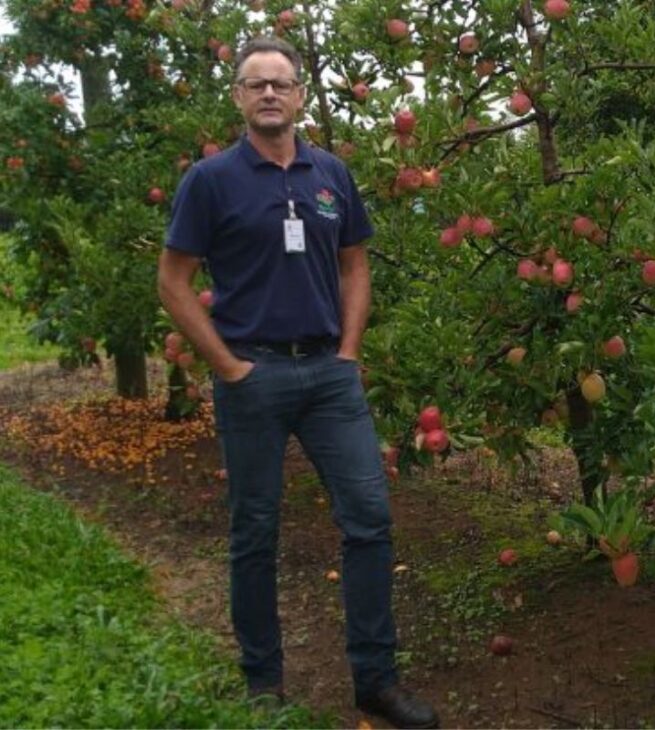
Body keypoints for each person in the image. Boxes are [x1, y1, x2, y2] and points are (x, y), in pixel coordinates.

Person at [157, 36, 439, 730]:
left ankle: (375, 680)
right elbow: (174, 280)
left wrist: (347, 349)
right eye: (256, 84)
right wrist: (226, 366)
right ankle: (263, 681)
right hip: (250, 372)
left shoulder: (331, 174)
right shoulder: (211, 180)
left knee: (368, 518)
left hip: (327, 374)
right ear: (238, 98)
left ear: (301, 95)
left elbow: (355, 265)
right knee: (255, 529)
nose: (269, 94)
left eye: (280, 83)